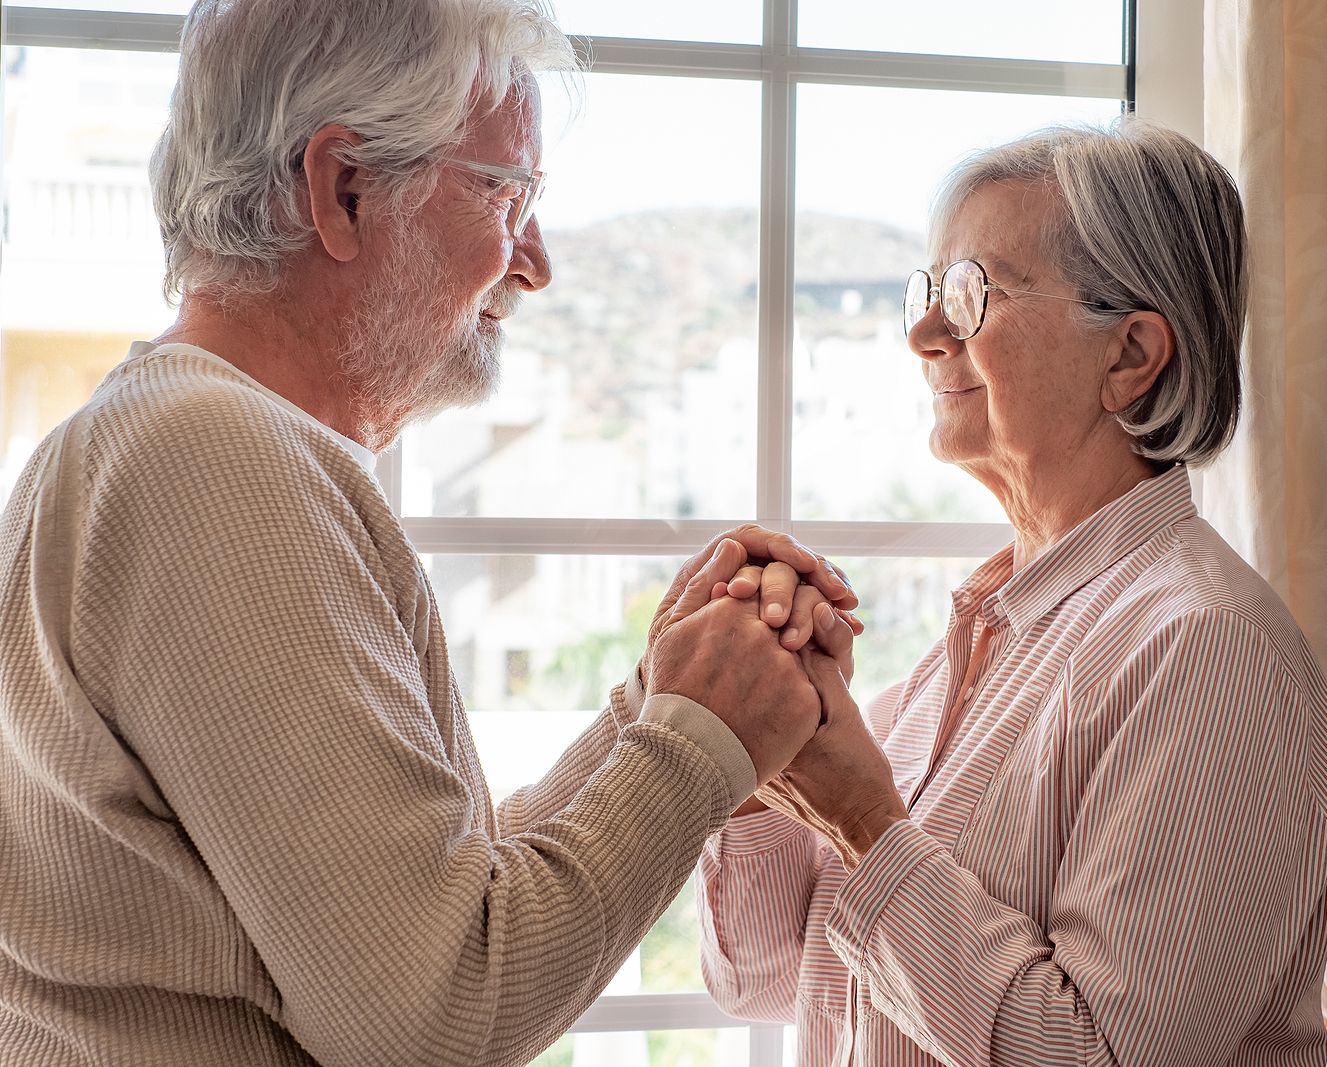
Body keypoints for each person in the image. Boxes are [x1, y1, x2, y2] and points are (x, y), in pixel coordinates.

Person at [0, 2, 865, 1066]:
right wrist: (698, 737)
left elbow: (421, 912)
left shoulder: (169, 440)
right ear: (343, 190)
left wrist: (660, 695)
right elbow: (439, 1012)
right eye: (509, 191)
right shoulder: (216, 459)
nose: (536, 259)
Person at [697, 121, 1327, 1067]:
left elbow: (1094, 1055)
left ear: (1130, 355)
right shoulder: (974, 646)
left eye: (971, 293)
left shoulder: (1209, 651)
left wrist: (862, 817)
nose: (924, 333)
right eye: (928, 292)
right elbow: (761, 979)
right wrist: (762, 746)